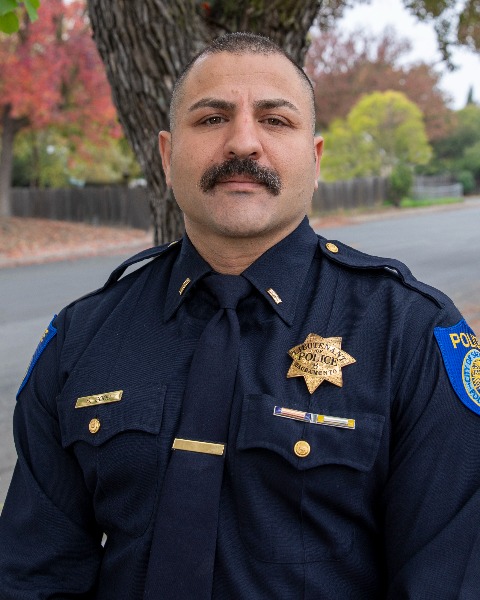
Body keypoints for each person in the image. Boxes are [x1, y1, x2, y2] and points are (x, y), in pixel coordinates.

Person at [1, 32, 479, 600]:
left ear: (315, 159)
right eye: (211, 119)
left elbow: (449, 580)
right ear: (166, 156)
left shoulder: (411, 333)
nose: (244, 143)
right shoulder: (82, 337)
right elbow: (35, 574)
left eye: (275, 120)